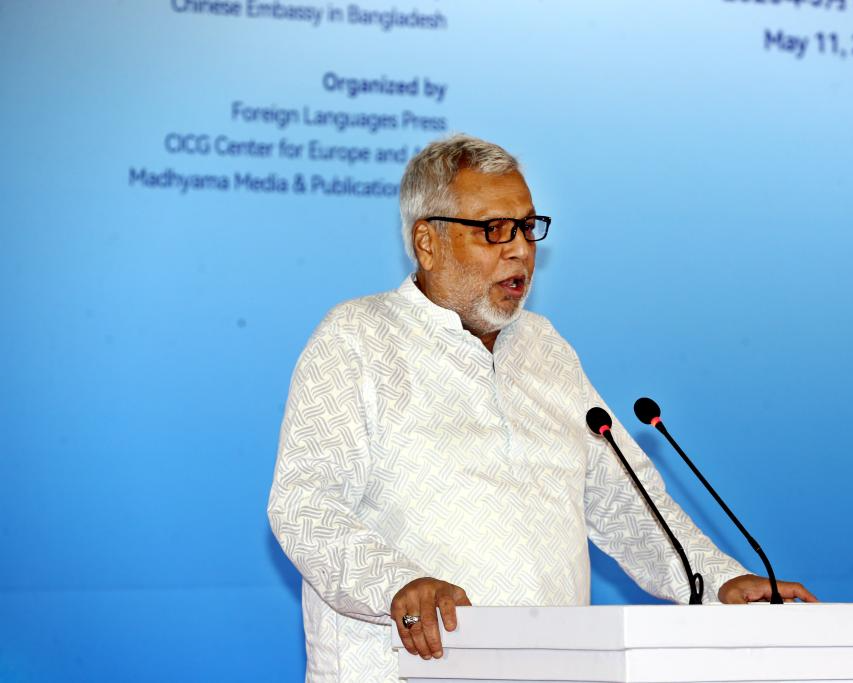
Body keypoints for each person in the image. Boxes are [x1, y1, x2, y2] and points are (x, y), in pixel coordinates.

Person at [267, 134, 815, 683]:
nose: (520, 250)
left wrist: (718, 580)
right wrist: (395, 584)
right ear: (427, 243)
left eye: (527, 228)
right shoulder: (358, 338)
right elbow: (303, 504)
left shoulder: (545, 349)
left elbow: (625, 499)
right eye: (493, 230)